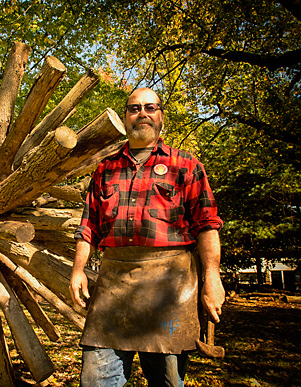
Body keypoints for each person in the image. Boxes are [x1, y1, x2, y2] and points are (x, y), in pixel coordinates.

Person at [69, 87, 225, 387]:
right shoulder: (105, 168)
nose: (142, 113)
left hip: (170, 287)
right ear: (125, 118)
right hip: (114, 286)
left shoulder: (187, 165)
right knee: (94, 379)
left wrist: (212, 277)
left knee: (166, 381)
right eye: (134, 108)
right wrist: (78, 270)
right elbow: (88, 225)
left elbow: (207, 224)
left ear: (161, 116)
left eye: (150, 107)